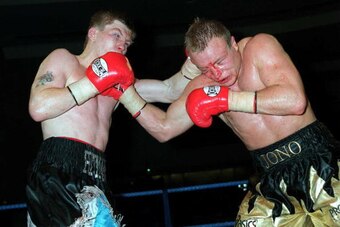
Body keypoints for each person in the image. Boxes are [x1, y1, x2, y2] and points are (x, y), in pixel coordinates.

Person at [115, 18, 340, 226]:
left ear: (232, 43)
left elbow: (294, 101)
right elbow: (164, 128)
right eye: (206, 68)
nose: (217, 73)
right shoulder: (202, 86)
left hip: (321, 160)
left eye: (220, 61)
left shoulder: (259, 47)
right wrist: (125, 94)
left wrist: (226, 99)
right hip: (270, 178)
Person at [26, 8, 201, 226]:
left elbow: (169, 91)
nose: (122, 45)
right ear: (93, 33)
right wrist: (93, 83)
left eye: (127, 43)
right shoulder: (65, 60)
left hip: (97, 177)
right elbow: (38, 107)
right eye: (116, 35)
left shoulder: (118, 84)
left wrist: (195, 63)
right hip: (58, 173)